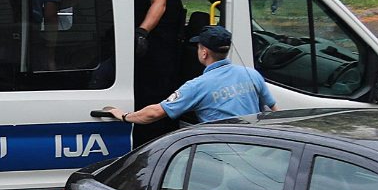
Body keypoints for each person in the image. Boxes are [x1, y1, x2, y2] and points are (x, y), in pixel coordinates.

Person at [97, 26, 275, 127]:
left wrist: (123, 115)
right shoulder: (252, 75)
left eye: (198, 47)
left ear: (204, 53)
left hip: (220, 154)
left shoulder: (198, 86)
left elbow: (154, 114)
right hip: (252, 148)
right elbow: (274, 111)